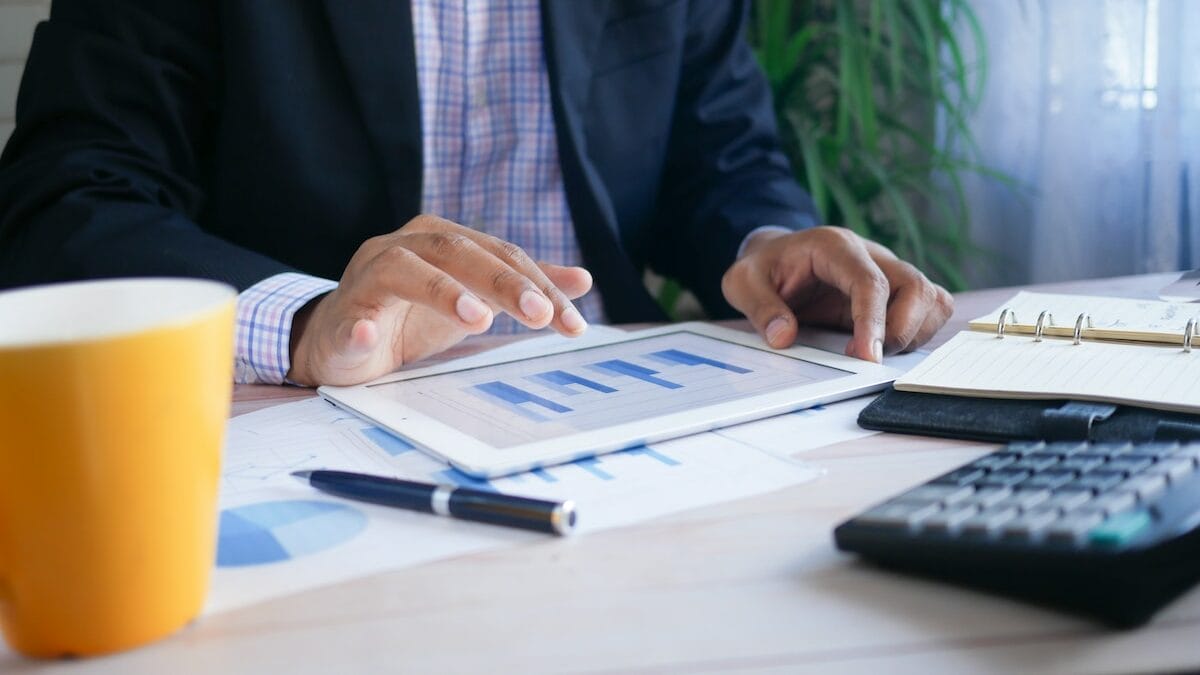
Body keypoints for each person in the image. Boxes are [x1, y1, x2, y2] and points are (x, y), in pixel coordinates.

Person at [0, 1, 952, 387]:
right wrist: (309, 324)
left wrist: (768, 240)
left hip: (622, 406)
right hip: (307, 426)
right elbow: (67, 201)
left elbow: (718, 155)